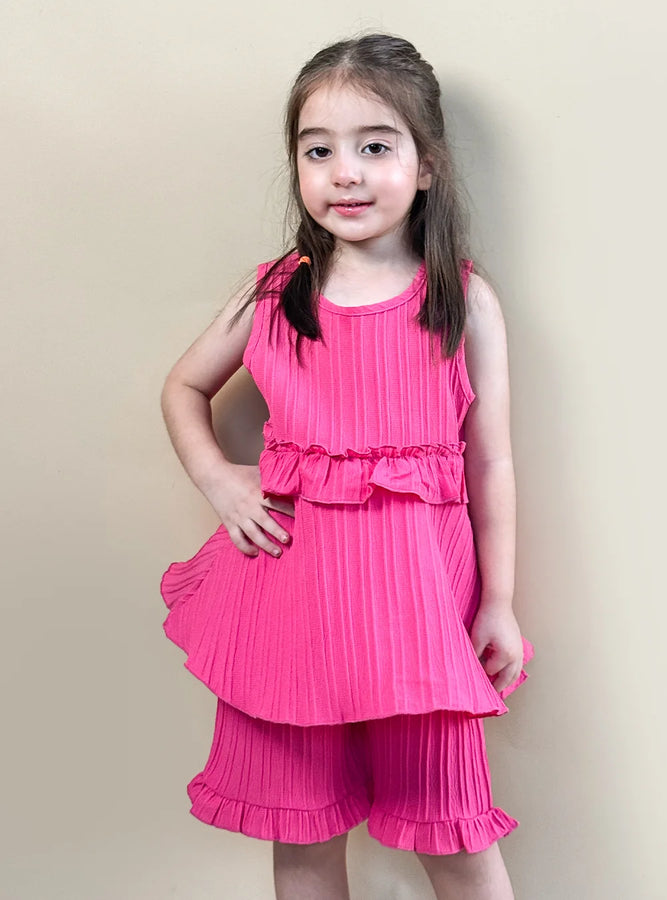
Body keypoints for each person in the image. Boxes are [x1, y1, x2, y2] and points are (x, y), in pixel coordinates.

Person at [159, 32, 535, 900]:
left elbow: (493, 464)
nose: (346, 173)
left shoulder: (461, 301)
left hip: (421, 612)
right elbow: (184, 387)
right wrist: (222, 479)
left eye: (375, 146)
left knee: (455, 836)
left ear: (427, 164)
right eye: (318, 151)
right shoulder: (273, 294)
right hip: (291, 609)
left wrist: (502, 603)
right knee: (303, 838)